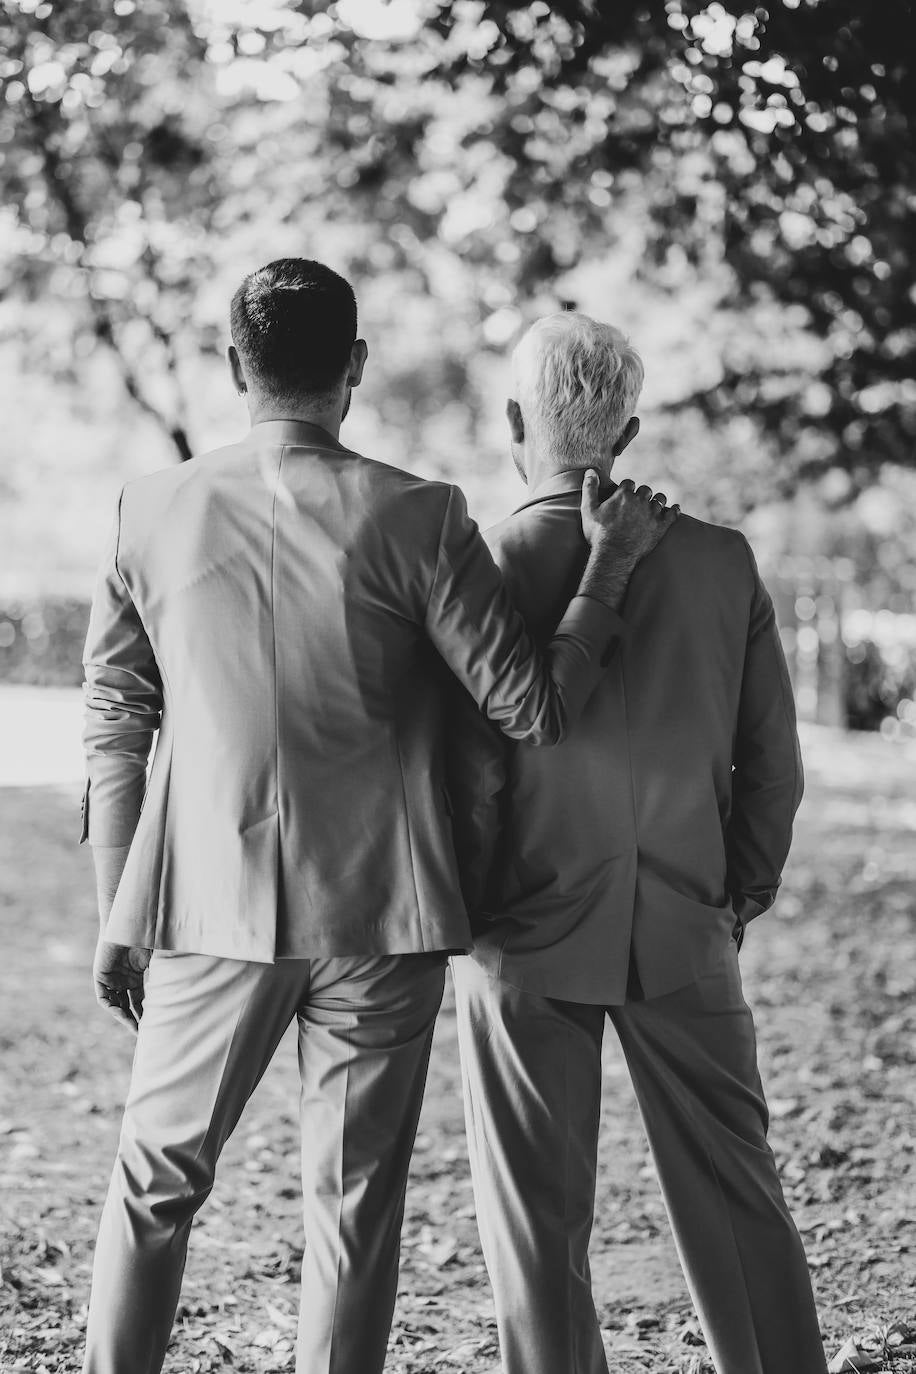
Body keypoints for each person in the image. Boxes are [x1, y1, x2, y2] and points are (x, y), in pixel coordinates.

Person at [79, 261, 676, 1374]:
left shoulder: (148, 506)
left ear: (230, 367)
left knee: (154, 1186)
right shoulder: (423, 513)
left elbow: (117, 712)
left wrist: (120, 898)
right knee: (352, 1212)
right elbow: (531, 710)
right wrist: (604, 575)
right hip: (383, 914)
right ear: (355, 366)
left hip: (208, 903)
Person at [448, 311, 828, 1374]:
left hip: (518, 931)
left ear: (513, 420)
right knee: (737, 1193)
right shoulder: (719, 563)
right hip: (683, 917)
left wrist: (469, 913)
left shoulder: (473, 567)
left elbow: (458, 771)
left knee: (536, 1222)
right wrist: (736, 895)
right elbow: (772, 765)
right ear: (628, 432)